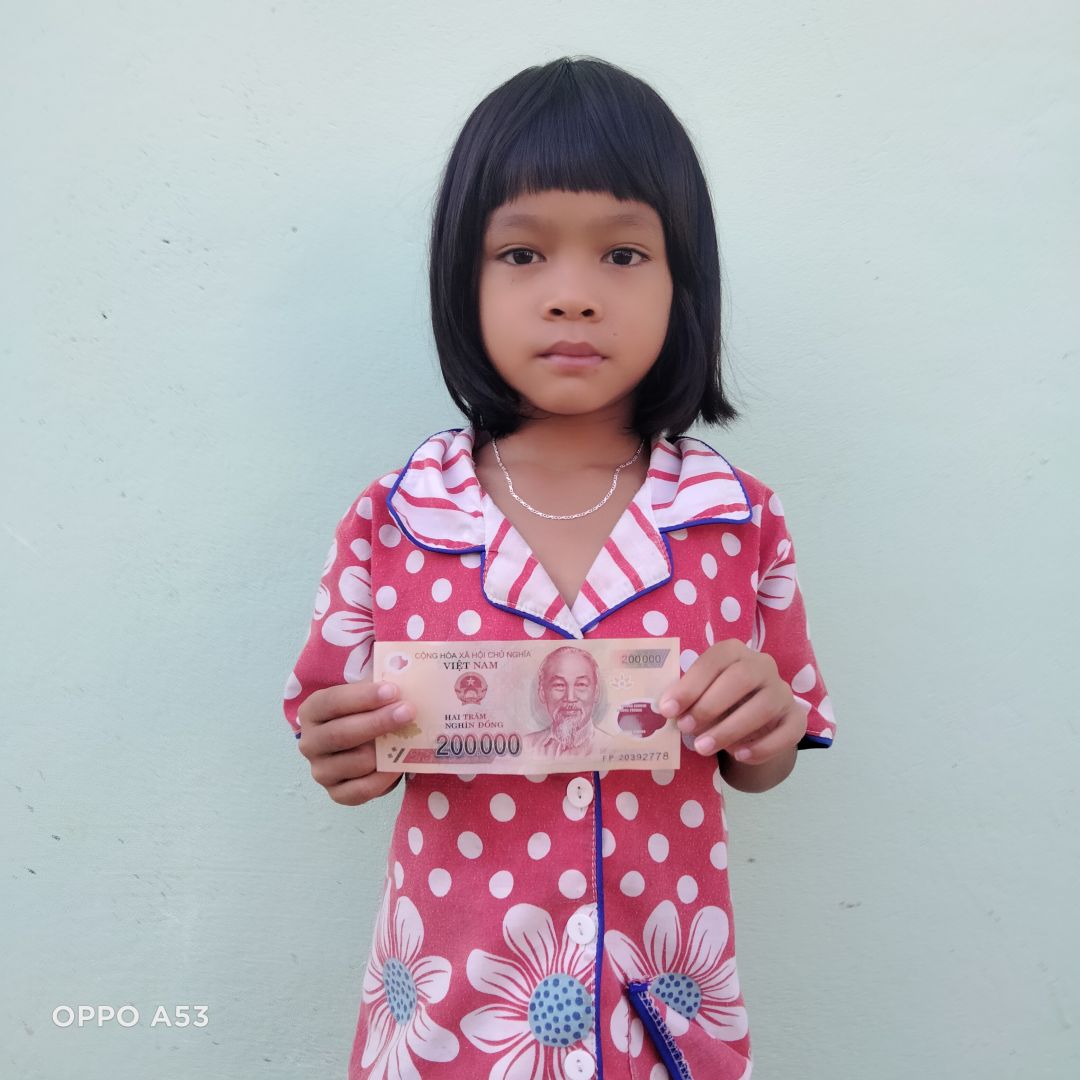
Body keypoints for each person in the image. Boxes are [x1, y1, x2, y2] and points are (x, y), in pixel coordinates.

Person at [282, 55, 837, 1080]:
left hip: (660, 1023)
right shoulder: (395, 520)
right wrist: (341, 752)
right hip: (450, 1024)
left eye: (623, 254)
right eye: (522, 253)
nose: (573, 296)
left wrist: (768, 719)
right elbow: (335, 741)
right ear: (463, 278)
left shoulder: (735, 519)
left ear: (684, 281)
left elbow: (764, 760)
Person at [524, 646, 604, 758]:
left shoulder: (612, 746)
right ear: (542, 693)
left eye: (581, 684)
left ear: (596, 692)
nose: (570, 698)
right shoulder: (526, 747)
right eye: (559, 685)